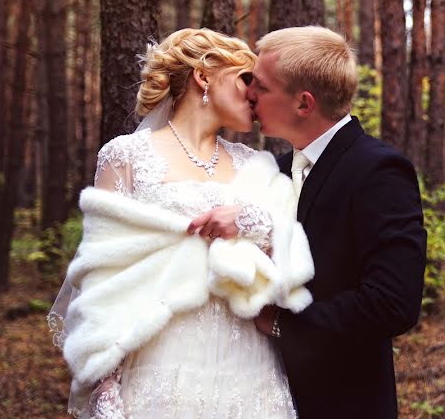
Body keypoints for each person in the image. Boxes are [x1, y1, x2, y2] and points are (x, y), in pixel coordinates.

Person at [49, 28, 313, 419]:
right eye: (245, 79)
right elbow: (101, 278)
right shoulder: (126, 157)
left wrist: (255, 223)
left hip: (248, 370)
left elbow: (293, 260)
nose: (254, 94)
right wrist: (105, 387)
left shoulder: (255, 164)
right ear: (203, 77)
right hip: (159, 365)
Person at [244, 26, 427, 418]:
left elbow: (394, 302)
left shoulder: (379, 171)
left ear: (303, 104)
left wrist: (283, 325)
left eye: (261, 86)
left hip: (344, 403)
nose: (249, 94)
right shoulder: (270, 172)